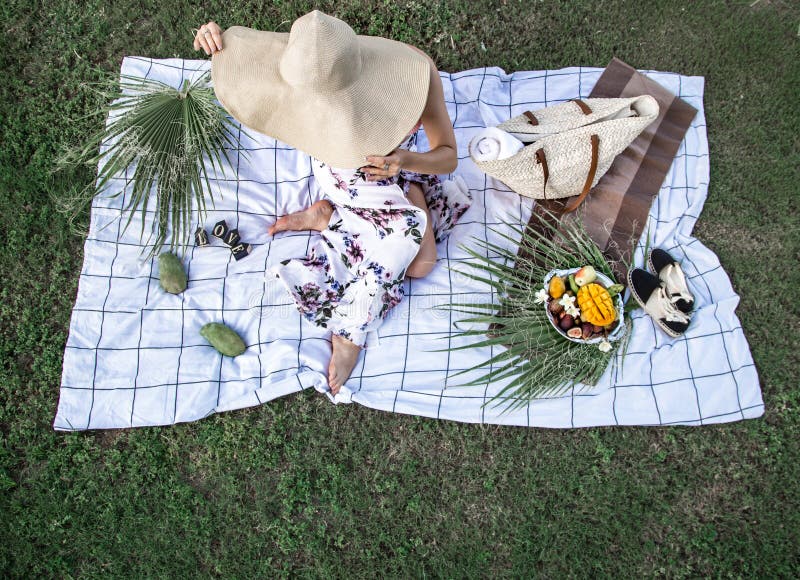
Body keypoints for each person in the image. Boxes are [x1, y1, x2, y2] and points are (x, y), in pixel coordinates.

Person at [193, 10, 470, 395]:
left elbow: (448, 155)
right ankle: (338, 235)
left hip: (385, 176)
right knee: (416, 257)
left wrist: (404, 161)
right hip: (336, 178)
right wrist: (212, 38)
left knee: (422, 262)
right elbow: (238, 60)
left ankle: (351, 221)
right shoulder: (305, 62)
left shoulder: (414, 75)